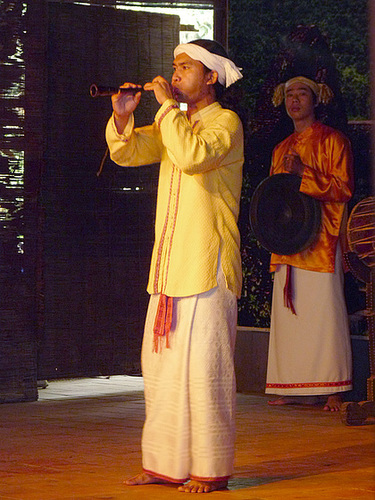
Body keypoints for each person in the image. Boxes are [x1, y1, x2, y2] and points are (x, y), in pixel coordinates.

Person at [105, 39, 244, 493]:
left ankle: (209, 469)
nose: (176, 73)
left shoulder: (225, 123)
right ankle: (164, 464)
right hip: (169, 270)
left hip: (208, 264)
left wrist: (164, 108)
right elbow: (126, 151)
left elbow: (191, 156)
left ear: (211, 78)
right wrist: (124, 116)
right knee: (162, 370)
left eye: (186, 67)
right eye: (174, 66)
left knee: (206, 371)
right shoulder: (176, 123)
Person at [265, 76, 354, 412]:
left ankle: (334, 388)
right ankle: (293, 385)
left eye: (302, 94)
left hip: (322, 240)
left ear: (315, 100)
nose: (295, 100)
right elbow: (274, 197)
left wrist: (305, 173)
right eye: (289, 94)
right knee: (290, 317)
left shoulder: (334, 141)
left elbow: (343, 188)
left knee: (324, 316)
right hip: (288, 241)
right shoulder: (280, 148)